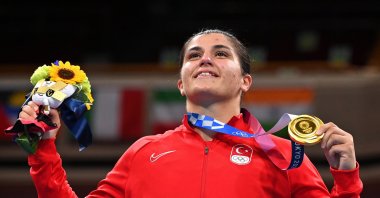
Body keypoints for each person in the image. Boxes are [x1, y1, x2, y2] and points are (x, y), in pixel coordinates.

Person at [20, 29, 362, 197]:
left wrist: (346, 179)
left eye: (221, 53)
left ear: (245, 81)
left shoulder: (285, 155)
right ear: (181, 83)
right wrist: (44, 150)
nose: (205, 59)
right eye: (194, 55)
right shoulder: (143, 152)